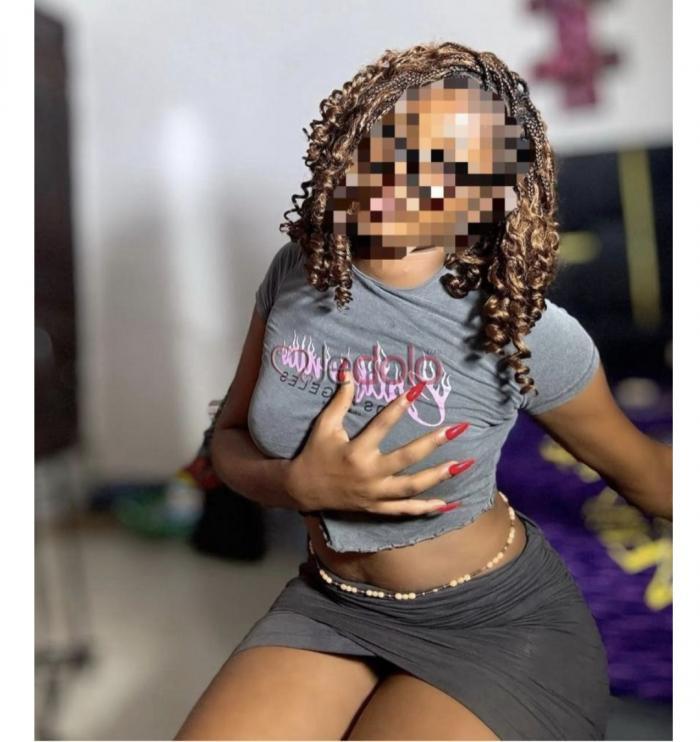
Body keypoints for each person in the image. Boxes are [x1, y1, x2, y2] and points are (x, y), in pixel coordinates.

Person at [174, 41, 672, 741]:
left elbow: (648, 473)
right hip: (331, 602)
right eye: (391, 140)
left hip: (495, 623)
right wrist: (296, 484)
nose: (400, 176)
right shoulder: (296, 270)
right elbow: (224, 442)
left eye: (446, 164)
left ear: (485, 199)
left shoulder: (516, 324)